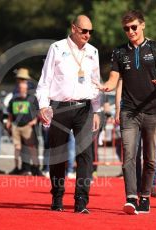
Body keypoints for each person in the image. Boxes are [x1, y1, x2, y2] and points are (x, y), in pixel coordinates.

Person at [96, 10, 156, 215]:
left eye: (133, 27)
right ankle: (131, 197)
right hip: (129, 112)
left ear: (143, 25)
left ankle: (145, 196)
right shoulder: (119, 52)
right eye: (126, 29)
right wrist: (106, 87)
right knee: (129, 155)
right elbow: (114, 79)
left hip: (152, 112)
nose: (130, 31)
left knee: (150, 158)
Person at [36, 15, 101, 214]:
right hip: (59, 108)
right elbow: (45, 80)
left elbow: (96, 82)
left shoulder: (93, 52)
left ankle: (81, 201)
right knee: (58, 156)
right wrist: (43, 106)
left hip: (84, 108)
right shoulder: (57, 48)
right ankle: (57, 197)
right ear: (74, 28)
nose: (87, 35)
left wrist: (96, 110)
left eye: (90, 31)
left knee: (85, 156)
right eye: (84, 31)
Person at [115, 79, 156, 197]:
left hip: (152, 114)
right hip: (131, 115)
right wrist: (117, 110)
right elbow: (119, 85)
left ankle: (151, 185)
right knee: (132, 154)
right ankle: (136, 187)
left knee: (152, 154)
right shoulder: (127, 62)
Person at [7, 79, 42, 176]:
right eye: (20, 88)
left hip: (28, 126)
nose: (22, 90)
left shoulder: (32, 98)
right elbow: (10, 113)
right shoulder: (13, 99)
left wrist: (35, 121)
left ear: (27, 89)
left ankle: (36, 168)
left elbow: (38, 111)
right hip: (16, 126)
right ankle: (17, 167)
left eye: (24, 88)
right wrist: (9, 123)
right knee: (17, 148)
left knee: (32, 148)